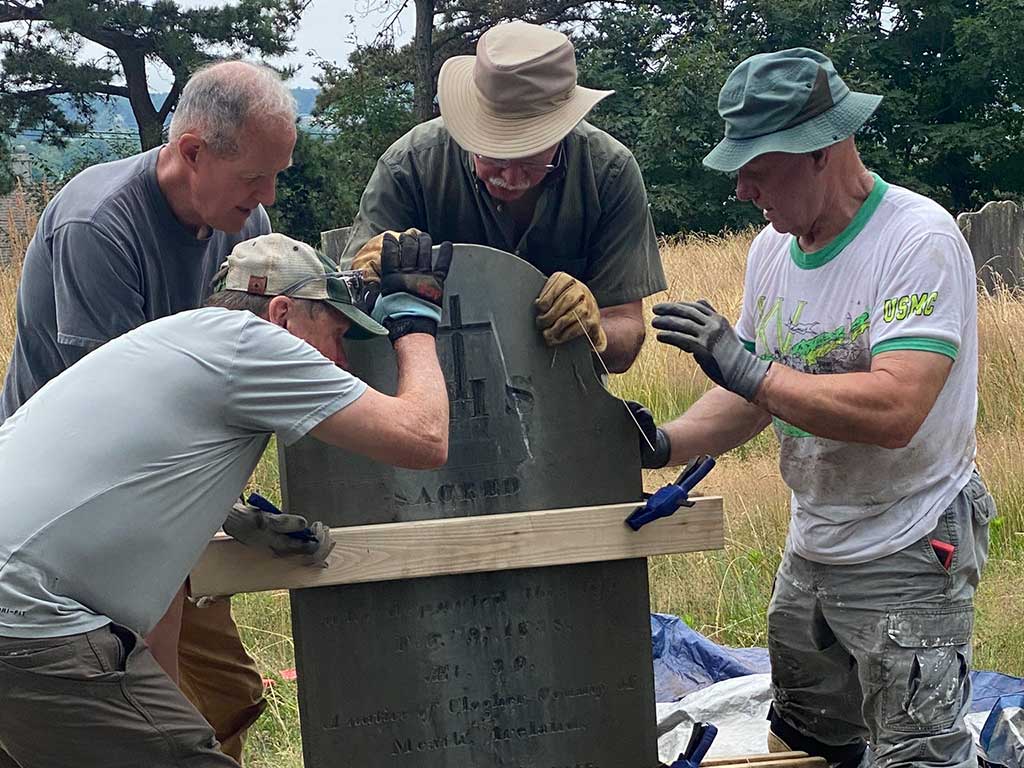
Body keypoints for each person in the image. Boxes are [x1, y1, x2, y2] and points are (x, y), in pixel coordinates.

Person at [632, 49, 992, 768]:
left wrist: (751, 370)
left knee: (916, 754)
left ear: (821, 150)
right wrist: (660, 443)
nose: (741, 189)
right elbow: (750, 400)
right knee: (805, 737)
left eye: (756, 169)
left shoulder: (915, 240)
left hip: (910, 540)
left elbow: (898, 407)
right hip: (816, 544)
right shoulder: (772, 251)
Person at [0, 230, 453, 768]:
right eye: (335, 336)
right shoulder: (252, 343)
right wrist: (415, 323)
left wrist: (230, 518)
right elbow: (424, 438)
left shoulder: (172, 342)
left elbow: (153, 581)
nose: (342, 363)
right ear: (283, 315)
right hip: (28, 619)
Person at [0, 60, 297, 761]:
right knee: (111, 711)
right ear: (193, 152)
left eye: (276, 174)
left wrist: (232, 514)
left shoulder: (240, 224)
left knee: (227, 693)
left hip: (162, 495)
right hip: (77, 508)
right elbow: (122, 433)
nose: (268, 196)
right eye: (255, 176)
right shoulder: (97, 226)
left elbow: (242, 367)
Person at [341, 21, 667, 373]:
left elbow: (627, 331)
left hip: (562, 402)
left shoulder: (609, 173)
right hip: (427, 387)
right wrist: (365, 277)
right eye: (492, 155)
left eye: (531, 157)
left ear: (563, 129)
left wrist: (595, 331)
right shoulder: (411, 167)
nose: (511, 177)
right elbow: (342, 311)